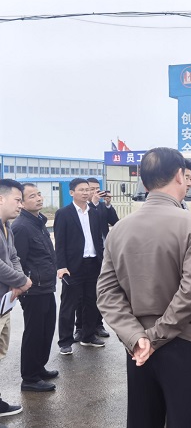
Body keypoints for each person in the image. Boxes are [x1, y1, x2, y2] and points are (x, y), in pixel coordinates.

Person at [97, 147, 191, 428]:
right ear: (179, 175)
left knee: (143, 419)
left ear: (144, 181)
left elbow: (107, 293)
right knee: (186, 419)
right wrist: (155, 336)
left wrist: (138, 337)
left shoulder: (119, 229)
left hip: (137, 346)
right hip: (183, 339)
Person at [12, 184, 59, 392]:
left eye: (39, 194)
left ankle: (39, 367)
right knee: (34, 332)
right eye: (32, 196)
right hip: (33, 290)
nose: (39, 198)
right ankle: (30, 378)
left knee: (46, 330)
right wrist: (23, 286)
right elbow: (18, 262)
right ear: (22, 203)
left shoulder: (38, 222)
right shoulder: (21, 227)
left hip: (46, 286)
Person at [54, 178, 105, 355]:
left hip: (93, 264)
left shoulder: (94, 212)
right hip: (73, 266)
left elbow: (98, 239)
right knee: (69, 304)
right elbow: (60, 243)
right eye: (81, 190)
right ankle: (65, 341)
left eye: (87, 189)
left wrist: (102, 260)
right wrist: (61, 266)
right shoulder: (64, 213)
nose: (85, 193)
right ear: (71, 193)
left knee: (92, 302)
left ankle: (88, 336)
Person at [0, 179, 32, 417]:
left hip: (5, 304)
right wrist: (22, 281)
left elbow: (13, 257)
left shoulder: (6, 227)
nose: (21, 205)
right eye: (17, 200)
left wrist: (20, 281)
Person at [73, 177, 118, 341]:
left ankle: (97, 324)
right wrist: (93, 203)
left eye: (96, 189)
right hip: (84, 257)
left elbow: (115, 221)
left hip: (102, 254)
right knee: (81, 295)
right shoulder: (82, 208)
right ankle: (80, 327)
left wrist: (107, 205)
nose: (93, 192)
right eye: (90, 189)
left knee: (98, 292)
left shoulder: (101, 206)